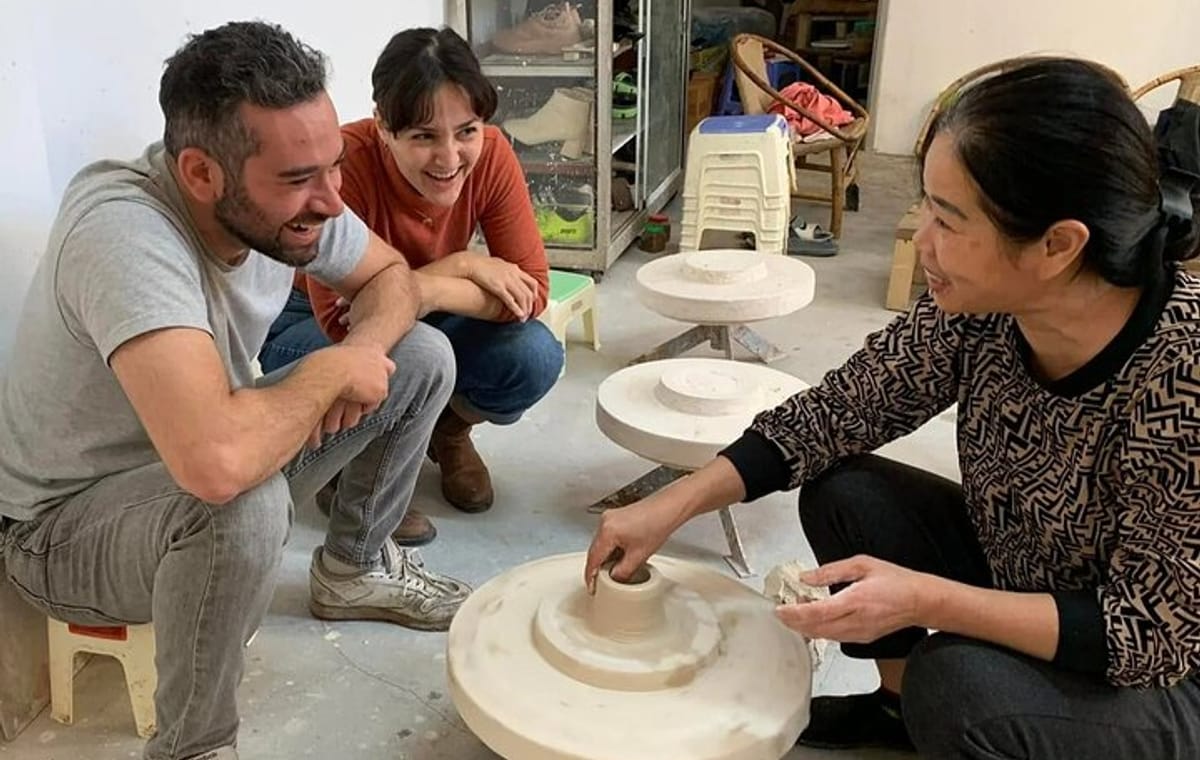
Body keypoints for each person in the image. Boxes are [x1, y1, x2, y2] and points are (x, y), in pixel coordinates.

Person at [585, 58, 1200, 759]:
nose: (920, 240)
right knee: (847, 492)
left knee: (958, 690)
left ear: (1058, 244)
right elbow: (836, 412)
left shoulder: (1183, 377)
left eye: (948, 220)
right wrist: (672, 503)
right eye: (926, 208)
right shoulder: (981, 310)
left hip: (1163, 673)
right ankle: (895, 711)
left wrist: (923, 598)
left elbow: (1144, 636)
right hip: (1031, 566)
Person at [0, 21, 472, 760]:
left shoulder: (288, 202)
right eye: (299, 179)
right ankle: (193, 748)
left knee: (420, 354)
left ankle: (352, 569)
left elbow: (391, 279)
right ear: (200, 174)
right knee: (239, 505)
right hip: (62, 531)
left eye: (335, 167)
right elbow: (215, 465)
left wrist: (360, 352)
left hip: (198, 454)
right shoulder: (124, 232)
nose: (330, 201)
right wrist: (325, 372)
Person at [260, 27, 562, 544]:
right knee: (410, 349)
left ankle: (448, 431)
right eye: (424, 136)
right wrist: (461, 266)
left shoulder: (492, 154)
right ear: (383, 125)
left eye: (466, 130)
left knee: (532, 355)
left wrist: (428, 291)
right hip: (307, 321)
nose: (450, 157)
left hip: (416, 308)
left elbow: (531, 290)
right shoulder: (345, 164)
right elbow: (347, 323)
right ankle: (351, 468)